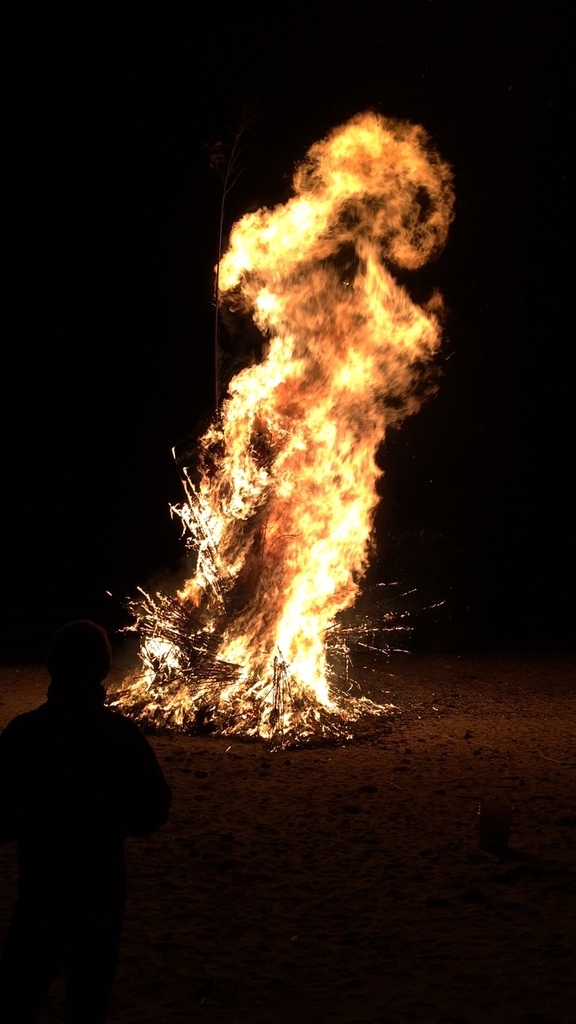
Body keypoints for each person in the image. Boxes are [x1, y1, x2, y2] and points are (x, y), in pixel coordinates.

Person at [0, 620, 172, 1024]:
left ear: (51, 666)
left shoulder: (25, 733)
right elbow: (153, 811)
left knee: (17, 1000)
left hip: (41, 893)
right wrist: (111, 821)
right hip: (100, 896)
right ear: (104, 670)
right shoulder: (120, 736)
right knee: (87, 1005)